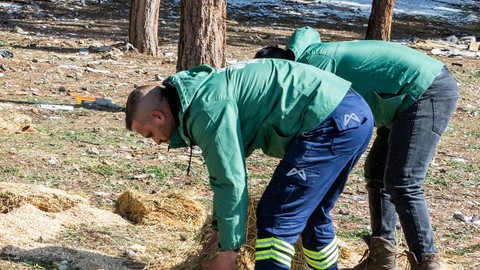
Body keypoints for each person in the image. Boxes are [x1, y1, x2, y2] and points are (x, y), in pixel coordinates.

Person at [125, 58, 374, 270]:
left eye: (150, 134)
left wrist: (228, 254)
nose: (156, 143)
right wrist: (219, 233)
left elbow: (230, 181)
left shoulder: (206, 109)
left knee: (276, 217)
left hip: (329, 122)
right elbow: (224, 175)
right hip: (353, 115)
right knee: (313, 216)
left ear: (158, 116)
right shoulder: (202, 92)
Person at [255, 26, 459, 270]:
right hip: (394, 99)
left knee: (403, 181)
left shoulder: (312, 68)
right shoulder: (306, 61)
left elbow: (322, 129)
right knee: (377, 174)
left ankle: (427, 262)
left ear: (279, 70)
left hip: (424, 90)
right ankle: (382, 259)